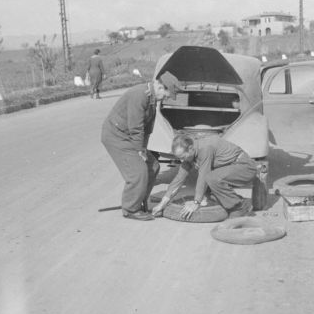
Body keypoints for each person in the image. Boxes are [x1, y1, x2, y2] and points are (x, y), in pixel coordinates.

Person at [101, 72, 182, 221]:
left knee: (154, 166)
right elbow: (136, 127)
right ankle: (131, 209)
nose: (165, 98)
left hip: (129, 136)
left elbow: (148, 128)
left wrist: (143, 148)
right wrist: (140, 151)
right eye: (166, 94)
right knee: (138, 172)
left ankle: (141, 199)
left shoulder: (152, 99)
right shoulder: (140, 95)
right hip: (116, 136)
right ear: (159, 86)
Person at [152, 133, 257, 220]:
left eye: (183, 157)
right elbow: (179, 179)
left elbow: (203, 176)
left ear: (190, 148)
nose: (181, 160)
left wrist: (196, 202)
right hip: (229, 168)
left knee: (211, 179)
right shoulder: (190, 153)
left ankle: (239, 208)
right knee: (207, 192)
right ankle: (241, 201)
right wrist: (163, 203)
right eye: (179, 158)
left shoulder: (205, 148)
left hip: (245, 167)